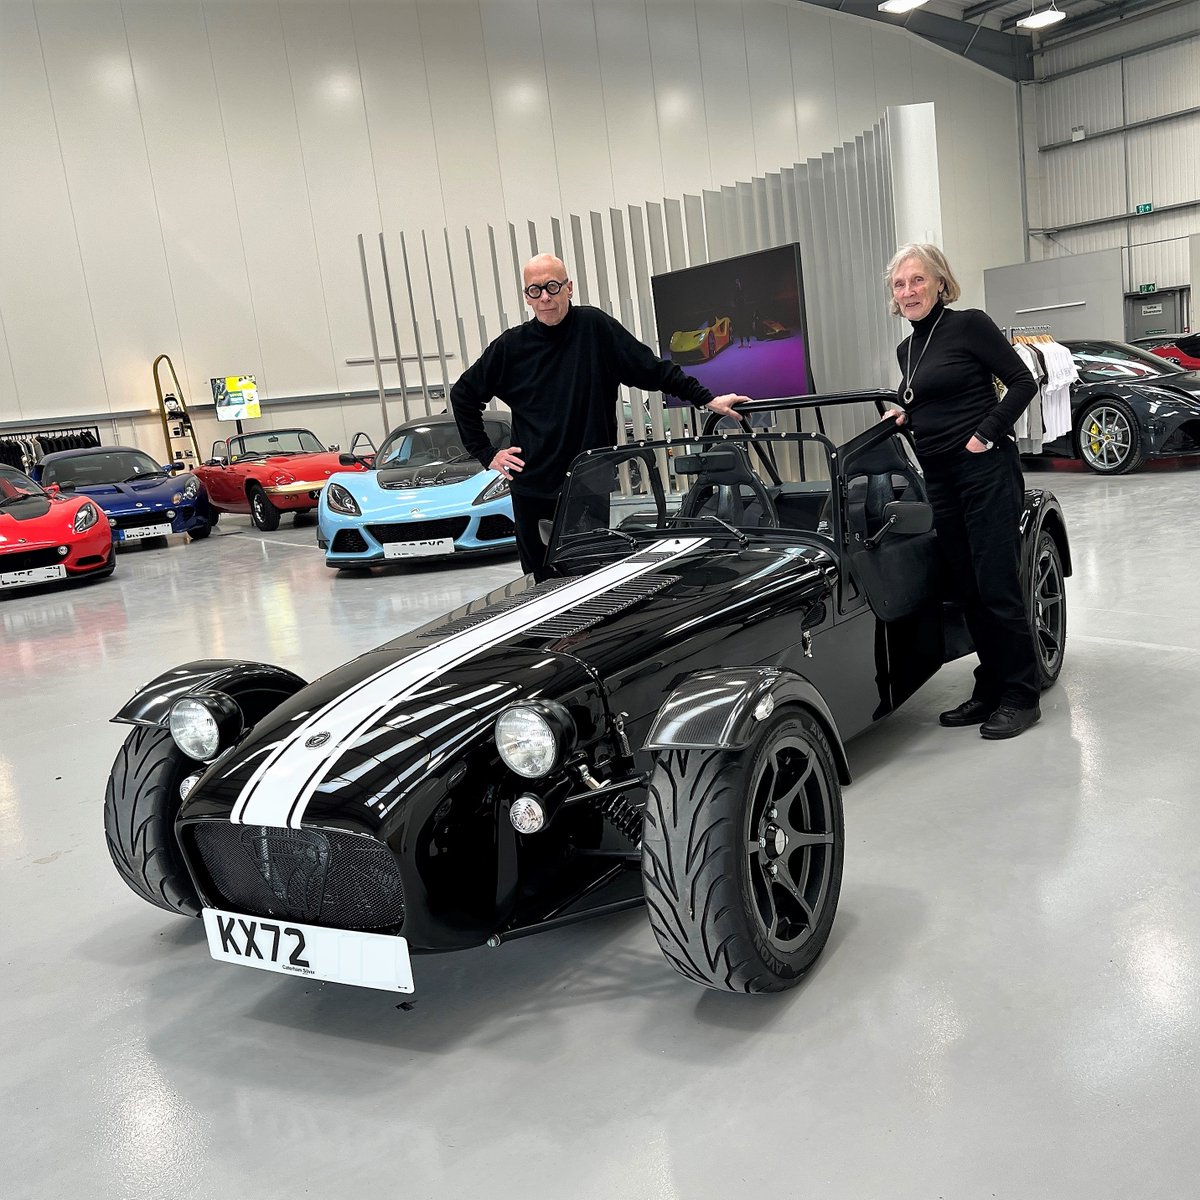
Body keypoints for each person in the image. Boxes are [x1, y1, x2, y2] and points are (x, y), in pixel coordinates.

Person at [451, 253, 749, 579]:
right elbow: (463, 395)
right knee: (539, 581)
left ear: (569, 288)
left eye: (552, 286)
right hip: (532, 486)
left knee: (587, 577)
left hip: (587, 481)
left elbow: (652, 370)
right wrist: (487, 453)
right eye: (535, 290)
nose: (545, 297)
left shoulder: (594, 328)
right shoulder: (511, 347)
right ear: (527, 297)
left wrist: (706, 399)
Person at [883, 243, 1041, 740]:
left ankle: (1021, 694)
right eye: (900, 284)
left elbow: (1022, 381)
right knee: (967, 588)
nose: (909, 291)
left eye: (917, 280)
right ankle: (991, 684)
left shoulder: (969, 324)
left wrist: (986, 433)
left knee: (997, 583)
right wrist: (907, 415)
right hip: (942, 479)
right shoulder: (907, 350)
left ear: (940, 283)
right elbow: (933, 398)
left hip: (985, 471)